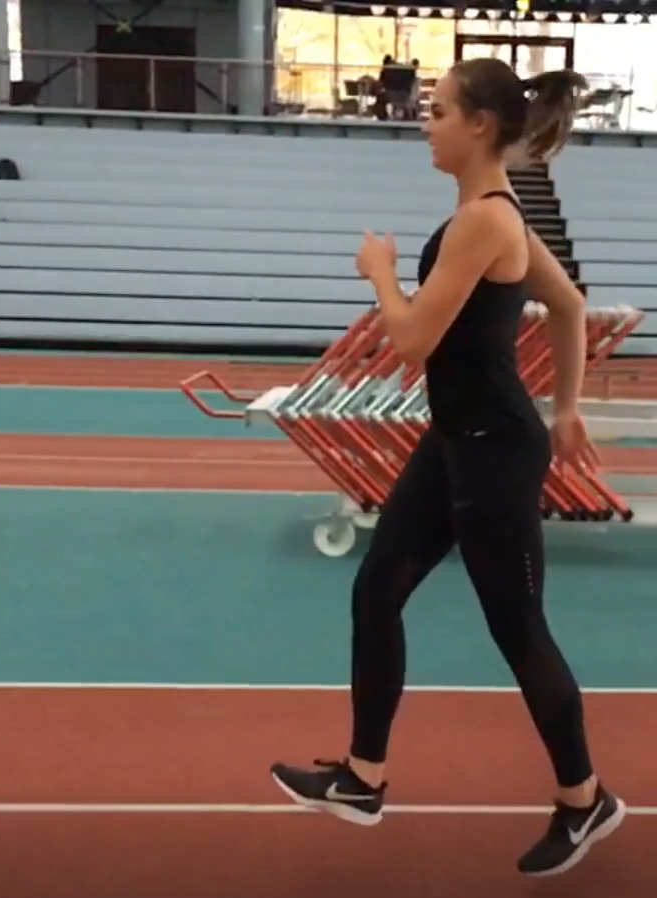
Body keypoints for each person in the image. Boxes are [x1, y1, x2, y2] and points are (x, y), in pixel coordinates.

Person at [268, 60, 625, 878]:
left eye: (436, 111)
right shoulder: (489, 216)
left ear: (478, 125)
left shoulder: (484, 222)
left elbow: (410, 342)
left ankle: (584, 798)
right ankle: (362, 777)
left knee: (517, 628)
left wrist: (380, 272)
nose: (423, 124)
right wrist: (566, 407)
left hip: (492, 448)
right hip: (456, 438)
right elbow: (568, 305)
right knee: (376, 589)